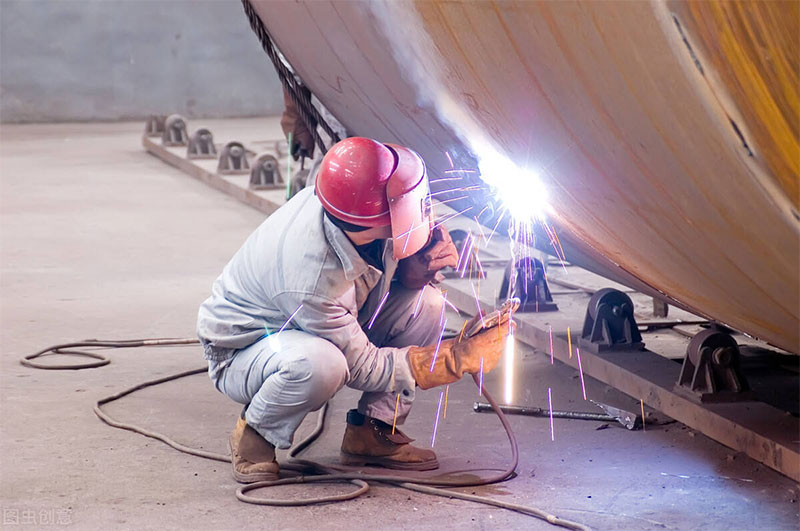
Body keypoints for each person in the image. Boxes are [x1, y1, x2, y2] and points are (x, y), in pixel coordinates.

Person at [197, 137, 512, 483]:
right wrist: (449, 359)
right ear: (380, 218)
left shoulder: (351, 205)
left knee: (427, 304)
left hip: (314, 322)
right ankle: (254, 434)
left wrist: (407, 267)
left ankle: (371, 431)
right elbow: (361, 366)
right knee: (322, 365)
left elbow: (382, 244)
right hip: (248, 349)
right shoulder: (313, 277)